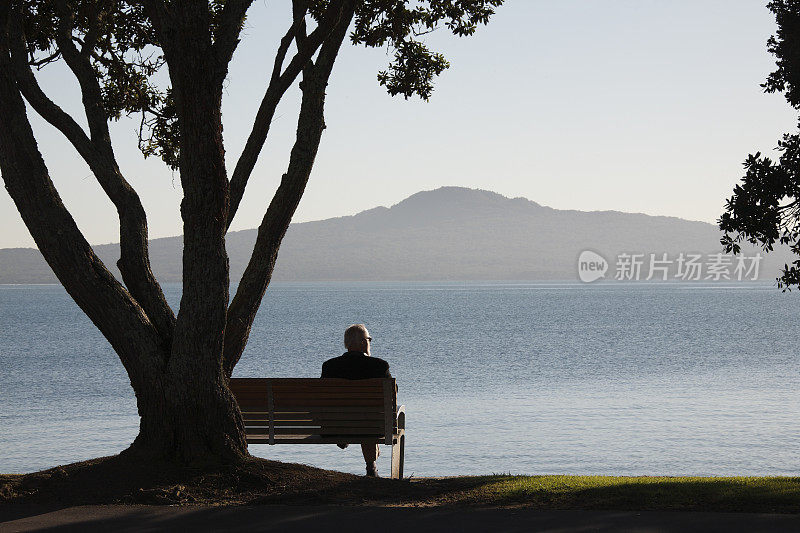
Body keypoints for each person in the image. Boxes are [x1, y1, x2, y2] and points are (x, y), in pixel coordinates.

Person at [321, 324, 392, 477]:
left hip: (335, 426)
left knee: (361, 416)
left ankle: (344, 436)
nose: (370, 342)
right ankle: (371, 467)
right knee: (369, 418)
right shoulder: (379, 366)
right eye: (369, 339)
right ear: (362, 342)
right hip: (370, 426)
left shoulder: (329, 366)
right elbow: (391, 397)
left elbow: (322, 399)